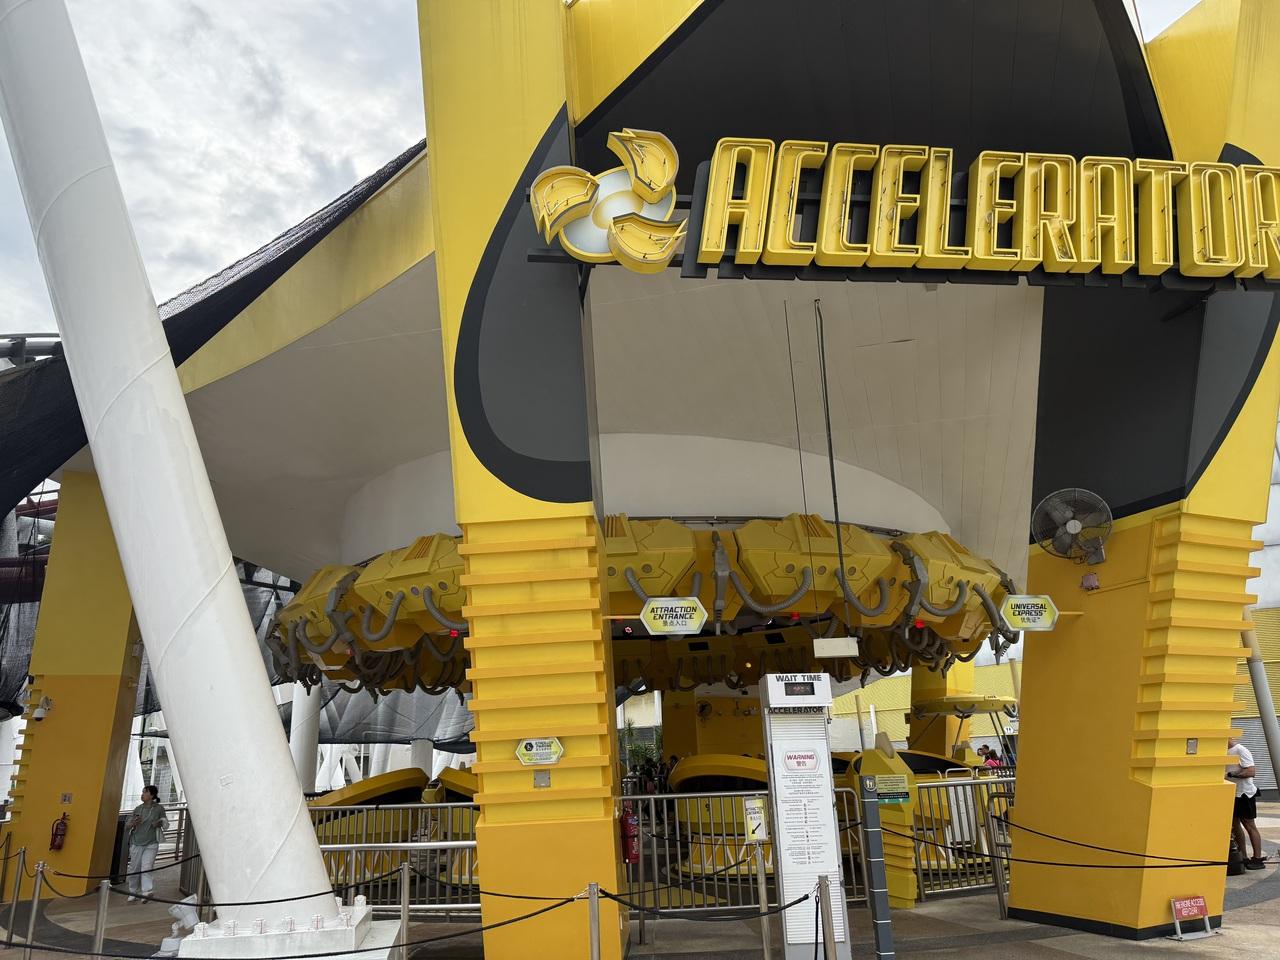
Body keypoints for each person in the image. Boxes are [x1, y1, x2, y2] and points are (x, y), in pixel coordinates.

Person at [1227, 737, 1266, 870]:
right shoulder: (1223, 751)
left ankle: (1257, 858)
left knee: (1249, 825)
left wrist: (1232, 774)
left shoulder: (1240, 750)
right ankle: (1243, 857)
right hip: (1232, 794)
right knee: (1235, 825)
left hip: (1244, 793)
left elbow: (1251, 771)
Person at [125, 785, 167, 902]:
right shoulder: (138, 809)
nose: (142, 794)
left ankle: (146, 892)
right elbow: (127, 826)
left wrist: (159, 823)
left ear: (152, 795)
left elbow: (165, 822)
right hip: (136, 842)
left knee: (147, 867)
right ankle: (133, 891)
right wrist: (133, 823)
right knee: (134, 868)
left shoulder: (159, 809)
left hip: (151, 843)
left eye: (145, 792)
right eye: (142, 792)